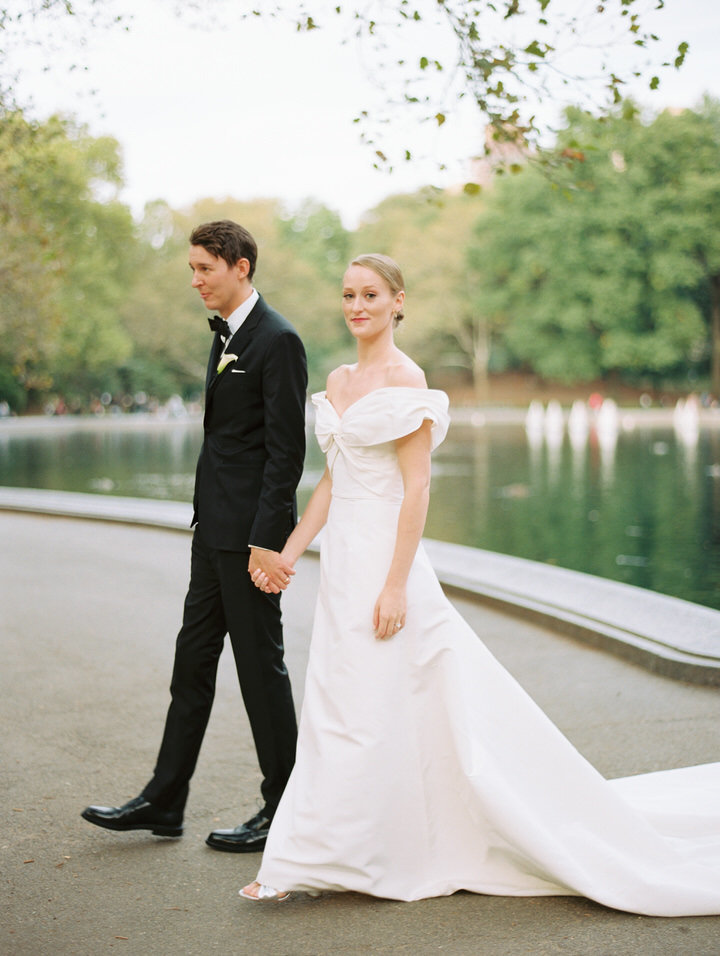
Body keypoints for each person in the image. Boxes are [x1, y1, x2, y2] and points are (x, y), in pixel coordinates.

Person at [239, 253, 720, 915]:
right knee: (339, 702)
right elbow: (332, 479)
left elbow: (417, 489)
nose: (357, 306)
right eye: (349, 295)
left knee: (380, 703)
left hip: (385, 560)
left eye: (371, 295)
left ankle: (327, 853)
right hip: (343, 562)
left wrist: (396, 585)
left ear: (398, 302)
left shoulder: (407, 380)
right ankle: (329, 849)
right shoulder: (339, 378)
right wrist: (291, 550)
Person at [82, 219, 307, 853]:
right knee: (192, 666)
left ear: (240, 266)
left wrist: (269, 541)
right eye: (193, 270)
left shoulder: (279, 340)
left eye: (204, 268)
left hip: (250, 543)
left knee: (261, 672)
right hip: (211, 533)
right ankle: (164, 801)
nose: (195, 281)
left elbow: (286, 453)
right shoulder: (226, 336)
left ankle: (284, 808)